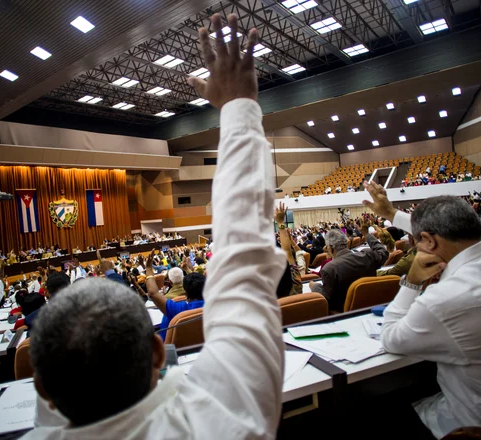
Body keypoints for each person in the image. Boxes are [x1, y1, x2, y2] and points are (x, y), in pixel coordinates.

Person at [23, 15, 287, 438]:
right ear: (157, 352)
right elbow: (244, 262)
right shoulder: (220, 421)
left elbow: (242, 265)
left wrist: (237, 107)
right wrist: (239, 106)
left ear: (42, 391)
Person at [362, 181, 481, 440]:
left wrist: (412, 280)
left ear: (426, 240)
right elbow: (442, 236)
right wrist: (391, 214)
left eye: (420, 240)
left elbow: (391, 337)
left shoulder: (442, 300)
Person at [310, 220, 388, 312]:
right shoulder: (368, 255)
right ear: (346, 243)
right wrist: (366, 234)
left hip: (345, 314)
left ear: (330, 248)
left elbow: (326, 300)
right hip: (372, 307)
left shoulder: (330, 268)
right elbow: (383, 252)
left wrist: (314, 286)